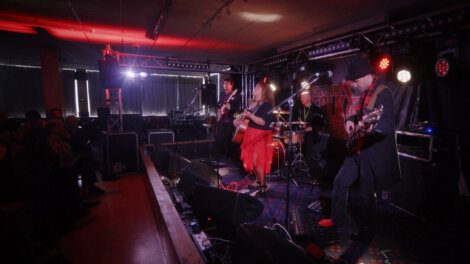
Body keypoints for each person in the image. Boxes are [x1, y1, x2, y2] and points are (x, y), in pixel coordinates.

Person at [321, 57, 400, 245]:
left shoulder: (383, 93)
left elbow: (386, 124)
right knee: (340, 182)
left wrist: (372, 126)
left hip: (370, 152)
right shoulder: (367, 92)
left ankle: (367, 231)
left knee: (366, 194)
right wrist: (351, 119)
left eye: (356, 81)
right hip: (357, 147)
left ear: (366, 76)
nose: (354, 85)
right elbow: (361, 113)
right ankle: (337, 219)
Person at [234, 82, 275, 195]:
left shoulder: (267, 105)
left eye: (256, 89)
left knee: (258, 162)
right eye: (254, 89)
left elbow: (262, 122)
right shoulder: (255, 105)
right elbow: (244, 119)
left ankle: (263, 185)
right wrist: (238, 119)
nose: (253, 91)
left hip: (260, 135)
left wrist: (250, 115)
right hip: (251, 134)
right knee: (253, 160)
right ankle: (258, 180)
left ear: (264, 92)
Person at [293, 90, 325, 179]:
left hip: (314, 134)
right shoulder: (301, 110)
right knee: (294, 137)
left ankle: (307, 166)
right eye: (301, 98)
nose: (301, 99)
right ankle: (294, 164)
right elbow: (298, 122)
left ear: (309, 98)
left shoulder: (316, 110)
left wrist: (312, 127)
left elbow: (321, 124)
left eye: (303, 98)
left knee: (309, 138)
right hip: (303, 133)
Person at [217, 78, 241, 160]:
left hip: (230, 120)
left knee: (228, 139)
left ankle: (231, 158)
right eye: (224, 84)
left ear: (232, 85)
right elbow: (220, 105)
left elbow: (237, 108)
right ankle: (224, 157)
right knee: (221, 138)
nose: (225, 85)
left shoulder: (236, 95)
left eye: (227, 84)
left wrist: (229, 107)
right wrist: (219, 111)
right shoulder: (222, 94)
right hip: (222, 119)